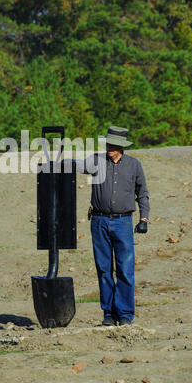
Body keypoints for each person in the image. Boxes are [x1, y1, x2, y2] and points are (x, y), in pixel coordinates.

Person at [73, 125, 150, 326]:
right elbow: (76, 165)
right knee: (104, 269)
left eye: (114, 145)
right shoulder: (96, 161)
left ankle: (124, 314)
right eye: (108, 144)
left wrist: (144, 219)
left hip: (124, 222)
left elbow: (142, 193)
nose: (110, 148)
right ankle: (108, 313)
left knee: (125, 268)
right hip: (99, 221)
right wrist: (56, 161)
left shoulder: (134, 165)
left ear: (122, 146)